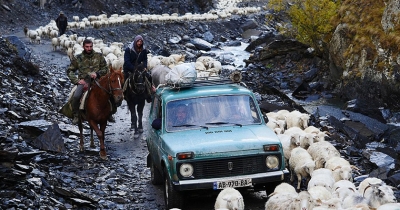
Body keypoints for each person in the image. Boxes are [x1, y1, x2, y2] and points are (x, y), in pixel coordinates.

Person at [66, 39, 113, 124]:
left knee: (111, 93)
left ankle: (109, 113)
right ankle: (76, 114)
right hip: (84, 81)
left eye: (91, 46)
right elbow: (70, 70)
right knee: (76, 96)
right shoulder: (78, 58)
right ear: (83, 47)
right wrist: (77, 81)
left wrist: (97, 74)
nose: (89, 48)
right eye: (87, 47)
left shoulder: (99, 56)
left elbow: (105, 68)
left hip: (98, 80)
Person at [123, 35, 155, 102]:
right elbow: (127, 61)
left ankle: (149, 93)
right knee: (124, 79)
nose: (139, 43)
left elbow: (145, 59)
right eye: (138, 41)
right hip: (129, 68)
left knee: (149, 77)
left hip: (139, 68)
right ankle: (124, 94)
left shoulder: (143, 50)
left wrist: (145, 67)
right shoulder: (128, 50)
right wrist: (133, 69)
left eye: (141, 41)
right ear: (135, 41)